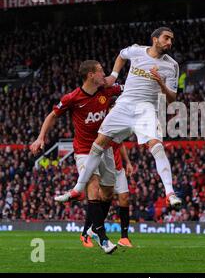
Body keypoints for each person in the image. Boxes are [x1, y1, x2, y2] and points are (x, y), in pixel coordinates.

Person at [55, 27, 182, 209]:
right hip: (123, 105)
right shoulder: (137, 51)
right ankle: (78, 189)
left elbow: (172, 99)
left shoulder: (172, 65)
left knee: (157, 147)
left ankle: (170, 193)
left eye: (171, 39)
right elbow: (122, 56)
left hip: (146, 110)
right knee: (98, 144)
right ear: (155, 39)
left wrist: (161, 83)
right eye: (166, 38)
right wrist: (114, 76)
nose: (169, 42)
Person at [31, 60, 122, 254]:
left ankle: (93, 228)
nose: (104, 75)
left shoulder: (107, 91)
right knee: (93, 186)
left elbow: (129, 89)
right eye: (100, 72)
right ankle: (101, 235)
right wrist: (41, 137)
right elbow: (52, 116)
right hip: (84, 151)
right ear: (91, 75)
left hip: (105, 148)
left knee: (108, 192)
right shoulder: (73, 97)